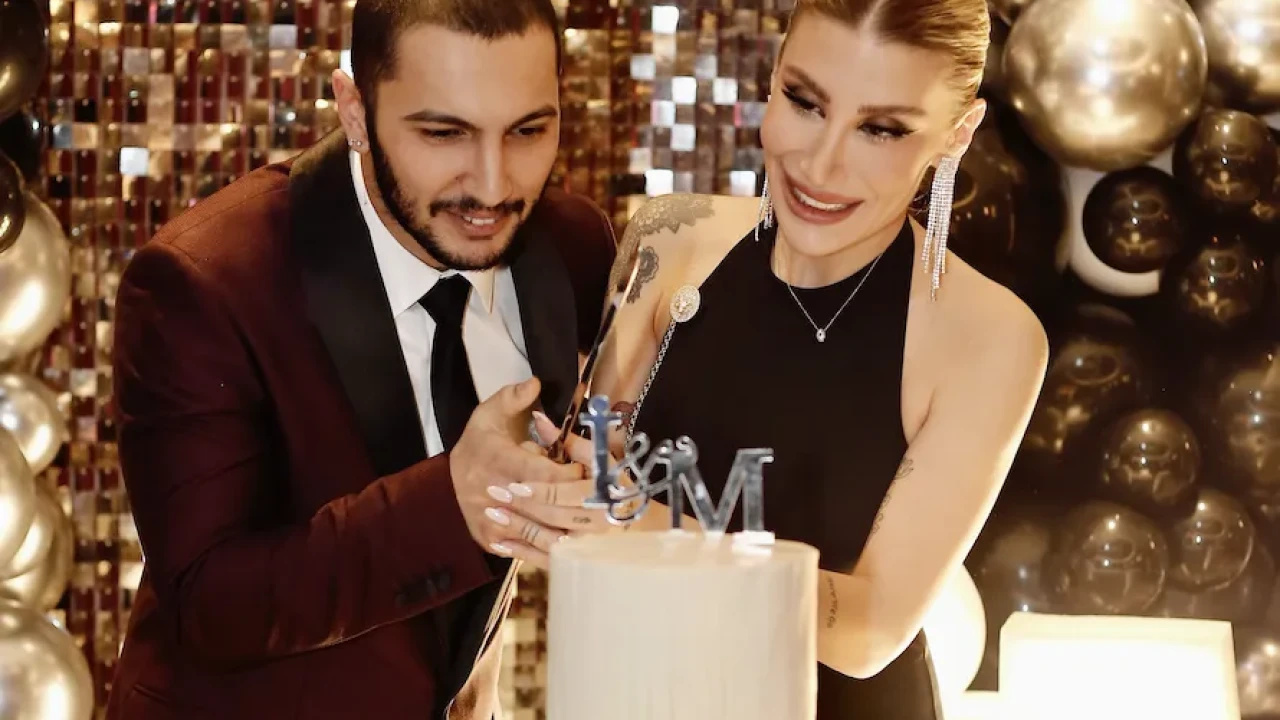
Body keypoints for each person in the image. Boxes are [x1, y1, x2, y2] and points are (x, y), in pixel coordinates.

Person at [517, 0, 1048, 717]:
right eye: (804, 101)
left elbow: (870, 631)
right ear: (772, 76)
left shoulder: (988, 337)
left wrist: (649, 533)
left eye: (881, 129)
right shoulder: (672, 239)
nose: (820, 164)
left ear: (957, 134)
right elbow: (583, 489)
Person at [105, 1, 617, 718]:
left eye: (528, 130)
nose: (494, 185)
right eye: (444, 133)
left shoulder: (572, 247)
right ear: (354, 110)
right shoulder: (204, 282)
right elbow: (209, 605)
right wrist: (450, 506)